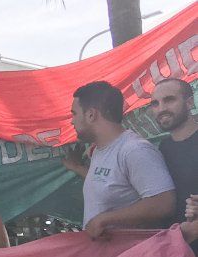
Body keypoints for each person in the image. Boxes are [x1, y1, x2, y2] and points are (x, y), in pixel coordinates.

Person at [62, 80, 175, 240]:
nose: (72, 121)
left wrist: (104, 219)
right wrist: (78, 168)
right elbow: (110, 183)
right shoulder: (99, 151)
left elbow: (163, 202)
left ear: (91, 114)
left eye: (74, 113)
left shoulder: (135, 150)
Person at [149, 77, 198, 243]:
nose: (161, 108)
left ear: (189, 103)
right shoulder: (162, 149)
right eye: (155, 104)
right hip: (181, 253)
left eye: (169, 100)